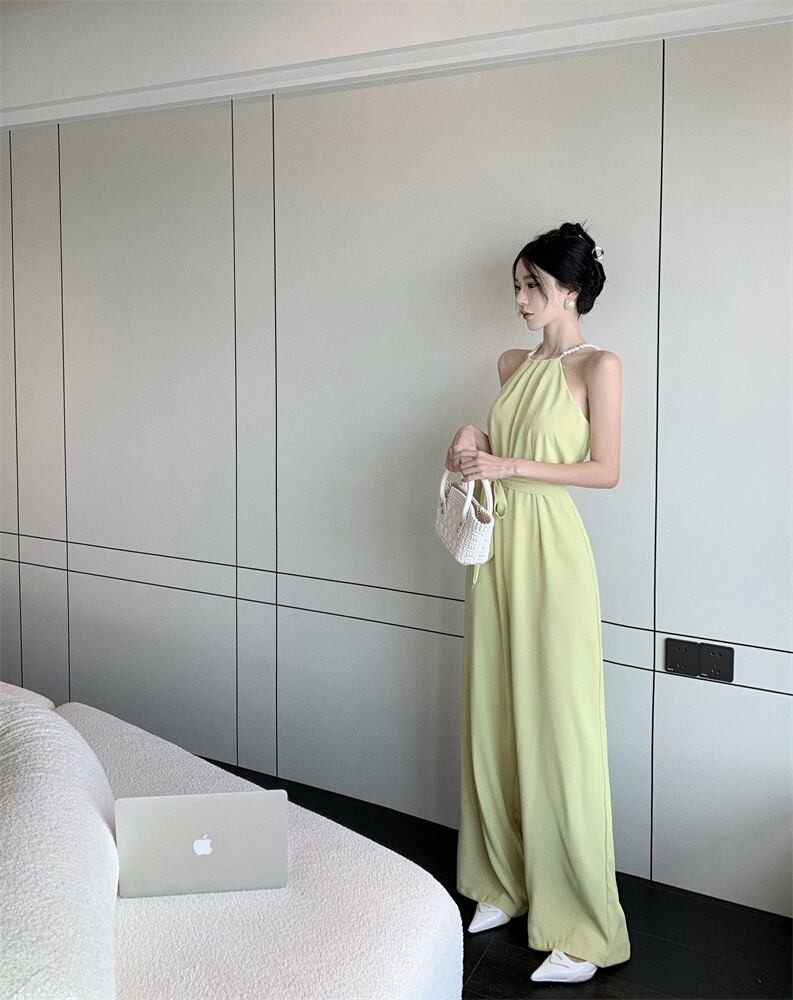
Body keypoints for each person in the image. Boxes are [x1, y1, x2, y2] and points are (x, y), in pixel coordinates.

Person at [446, 221, 630, 985]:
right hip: (497, 551)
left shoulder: (598, 366)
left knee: (560, 729)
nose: (520, 300)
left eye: (533, 286)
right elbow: (491, 454)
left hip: (552, 554)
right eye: (516, 286)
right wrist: (468, 445)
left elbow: (604, 470)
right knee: (493, 712)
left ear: (570, 291)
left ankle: (580, 927)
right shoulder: (510, 363)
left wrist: (509, 464)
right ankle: (500, 882)